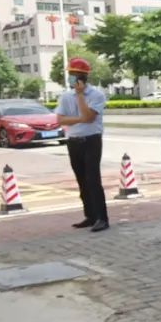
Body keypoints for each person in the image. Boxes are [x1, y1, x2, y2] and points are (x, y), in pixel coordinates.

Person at [56, 56, 109, 232]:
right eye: (70, 74)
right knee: (82, 181)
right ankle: (90, 215)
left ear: (82, 77)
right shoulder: (65, 96)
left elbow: (90, 117)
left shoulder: (96, 95)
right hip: (73, 142)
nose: (71, 77)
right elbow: (60, 120)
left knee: (93, 179)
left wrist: (79, 96)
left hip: (91, 140)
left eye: (73, 74)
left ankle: (101, 218)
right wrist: (80, 119)